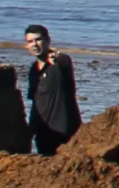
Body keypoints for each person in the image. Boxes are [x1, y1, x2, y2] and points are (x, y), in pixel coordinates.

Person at [23, 23, 81, 155]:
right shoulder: (33, 70)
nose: (35, 44)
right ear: (26, 46)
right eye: (30, 41)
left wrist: (55, 58)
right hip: (43, 131)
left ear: (48, 41)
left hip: (64, 130)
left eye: (38, 40)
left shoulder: (61, 61)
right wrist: (30, 131)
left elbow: (63, 64)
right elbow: (35, 102)